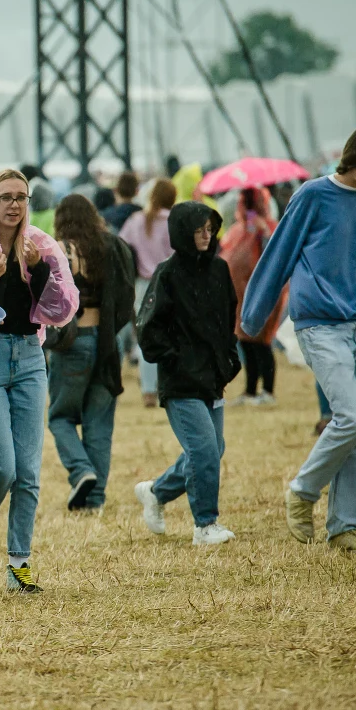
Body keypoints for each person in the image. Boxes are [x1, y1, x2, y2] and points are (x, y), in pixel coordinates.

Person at [241, 124, 356, 551]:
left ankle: (344, 527)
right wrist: (252, 319)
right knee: (350, 418)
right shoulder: (312, 195)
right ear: (355, 156)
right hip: (317, 323)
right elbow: (280, 253)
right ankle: (303, 492)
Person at [0, 169, 78, 593]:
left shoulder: (41, 245)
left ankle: (18, 565)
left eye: (21, 197)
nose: (13, 205)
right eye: (5, 197)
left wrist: (39, 269)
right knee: (2, 468)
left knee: (28, 472)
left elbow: (62, 309)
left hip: (29, 358)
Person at [134, 201, 241, 545]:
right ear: (182, 232)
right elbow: (147, 329)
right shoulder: (167, 274)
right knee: (205, 450)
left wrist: (229, 359)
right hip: (180, 381)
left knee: (213, 448)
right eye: (198, 230)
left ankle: (156, 492)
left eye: (210, 229)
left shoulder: (220, 269)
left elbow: (227, 319)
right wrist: (175, 360)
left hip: (212, 378)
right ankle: (205, 526)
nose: (206, 236)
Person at [48, 194, 136, 513]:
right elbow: (128, 297)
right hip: (106, 342)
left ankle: (81, 471)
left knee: (60, 417)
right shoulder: (112, 247)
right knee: (99, 424)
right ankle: (95, 499)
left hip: (72, 343)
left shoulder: (61, 249)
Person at [220, 187, 286, 405]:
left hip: (264, 295)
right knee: (246, 342)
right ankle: (250, 391)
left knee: (262, 342)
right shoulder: (239, 230)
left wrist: (263, 233)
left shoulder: (269, 229)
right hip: (241, 294)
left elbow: (275, 258)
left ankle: (267, 391)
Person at [119, 178, 176, 407]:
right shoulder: (173, 221)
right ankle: (168, 387)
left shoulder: (136, 220)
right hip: (170, 284)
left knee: (145, 339)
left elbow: (121, 245)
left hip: (142, 286)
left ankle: (148, 391)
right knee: (171, 337)